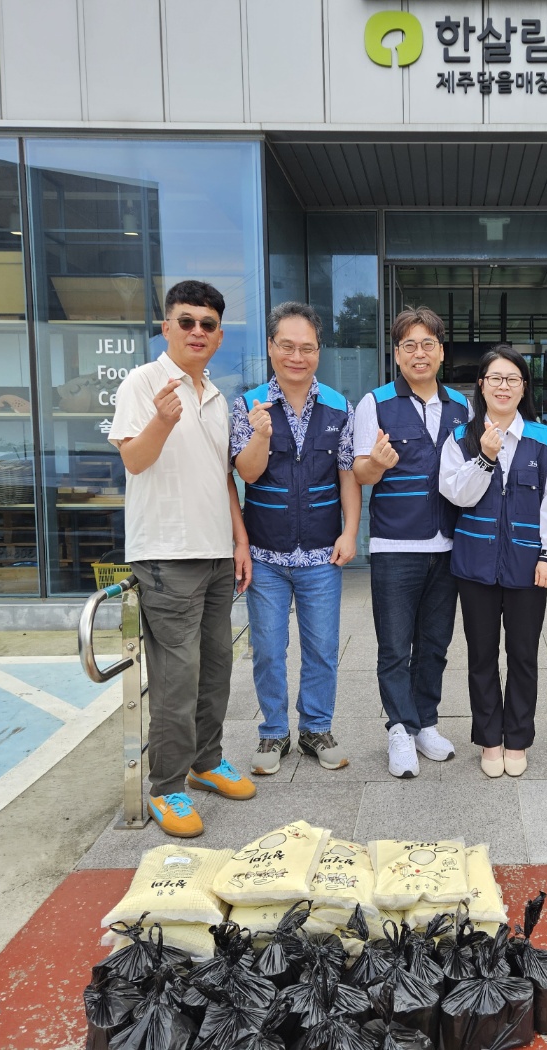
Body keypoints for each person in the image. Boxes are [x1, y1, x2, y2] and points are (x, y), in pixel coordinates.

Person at [109, 280, 254, 839]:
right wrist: (162, 421)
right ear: (166, 326)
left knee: (217, 666)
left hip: (217, 551)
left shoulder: (215, 394)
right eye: (186, 321)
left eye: (208, 324)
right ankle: (167, 786)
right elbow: (136, 462)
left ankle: (206, 760)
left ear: (218, 335)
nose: (197, 331)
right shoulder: (142, 383)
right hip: (167, 556)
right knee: (176, 676)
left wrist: (239, 540)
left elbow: (222, 478)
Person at [232, 302, 360, 775]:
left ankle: (316, 729)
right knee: (267, 648)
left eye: (306, 348)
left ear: (318, 352)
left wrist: (350, 532)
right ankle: (272, 734)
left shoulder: (338, 406)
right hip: (266, 554)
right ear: (271, 348)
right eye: (286, 346)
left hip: (322, 553)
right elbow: (246, 472)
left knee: (322, 647)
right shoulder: (248, 405)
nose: (296, 356)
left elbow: (348, 474)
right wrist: (260, 435)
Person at [439, 345, 547, 778]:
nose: (503, 386)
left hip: (527, 566)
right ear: (481, 386)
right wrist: (485, 457)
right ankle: (489, 738)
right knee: (480, 656)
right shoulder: (460, 438)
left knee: (523, 655)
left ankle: (517, 738)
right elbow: (456, 494)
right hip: (475, 565)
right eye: (494, 378)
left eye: (512, 378)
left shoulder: (543, 437)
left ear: (523, 388)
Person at [353, 307, 471, 778]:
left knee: (436, 642)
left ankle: (426, 722)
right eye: (409, 346)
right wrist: (378, 463)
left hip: (449, 546)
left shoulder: (463, 406)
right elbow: (361, 472)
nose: (419, 354)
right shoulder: (375, 403)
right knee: (394, 646)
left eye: (427, 345)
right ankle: (398, 730)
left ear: (441, 352)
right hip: (395, 546)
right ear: (397, 354)